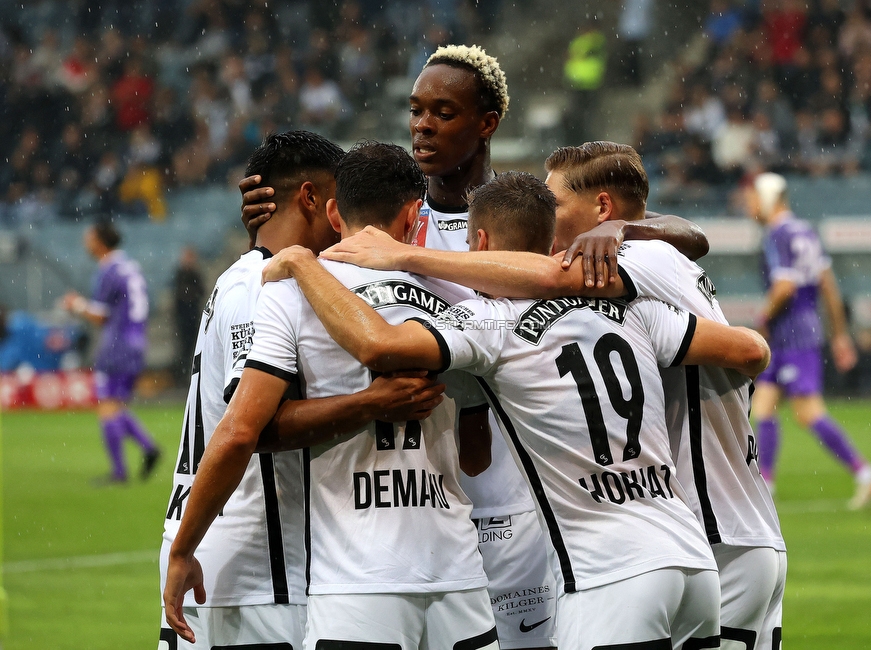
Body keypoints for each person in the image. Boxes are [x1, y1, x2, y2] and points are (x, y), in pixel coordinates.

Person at [239, 45, 707, 650]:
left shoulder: (527, 208)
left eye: (443, 112)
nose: (423, 125)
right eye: (415, 111)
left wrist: (619, 227)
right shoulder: (395, 219)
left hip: (523, 497)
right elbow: (304, 261)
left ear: (487, 123)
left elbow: (685, 236)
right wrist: (266, 225)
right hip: (425, 502)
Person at [265, 171, 772, 650]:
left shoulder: (492, 321)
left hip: (608, 576)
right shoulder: (631, 307)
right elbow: (750, 351)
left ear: (480, 246)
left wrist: (304, 263)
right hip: (693, 565)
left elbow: (380, 345)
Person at [164, 142, 497, 650]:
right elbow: (477, 453)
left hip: (306, 570)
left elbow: (241, 431)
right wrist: (374, 402)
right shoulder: (456, 296)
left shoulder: (278, 282)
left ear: (338, 210)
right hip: (258, 565)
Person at [744, 172, 871, 510]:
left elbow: (785, 288)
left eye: (752, 198)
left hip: (791, 332)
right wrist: (839, 335)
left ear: (767, 199)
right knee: (763, 404)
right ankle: (766, 485)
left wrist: (761, 321)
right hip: (799, 330)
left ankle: (865, 473)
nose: (749, 205)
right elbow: (828, 286)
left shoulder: (776, 234)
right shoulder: (805, 230)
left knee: (807, 412)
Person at [61, 221, 160, 484]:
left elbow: (101, 316)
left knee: (106, 406)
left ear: (100, 242)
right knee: (116, 405)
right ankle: (149, 448)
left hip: (117, 344)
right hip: (136, 341)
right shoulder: (131, 267)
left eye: (89, 237)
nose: (85, 242)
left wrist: (76, 305)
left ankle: (119, 472)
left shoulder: (109, 270)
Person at [171, 245, 205, 383]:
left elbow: (199, 292)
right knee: (183, 348)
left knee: (191, 347)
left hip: (192, 316)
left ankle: (189, 376)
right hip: (183, 318)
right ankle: (181, 377)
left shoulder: (195, 274)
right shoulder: (180, 274)